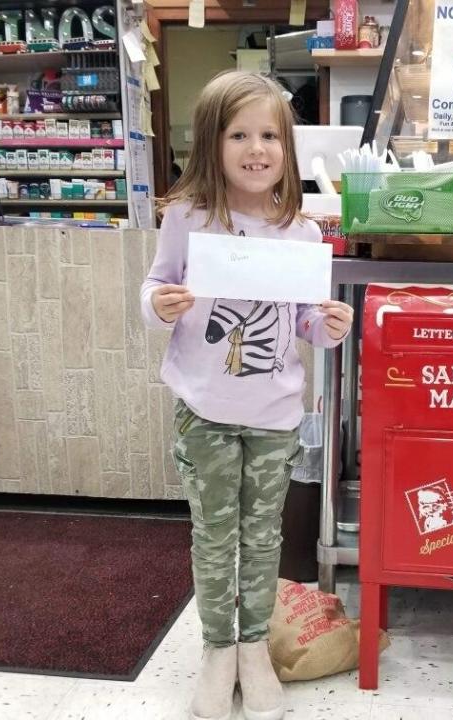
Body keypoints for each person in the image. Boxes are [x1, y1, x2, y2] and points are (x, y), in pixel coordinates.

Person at [140, 71, 353, 720]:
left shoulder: (302, 234)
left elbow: (304, 322)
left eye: (269, 136)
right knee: (213, 535)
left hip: (273, 415)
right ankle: (215, 649)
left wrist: (329, 326)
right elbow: (154, 291)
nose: (256, 149)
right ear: (212, 142)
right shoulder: (187, 218)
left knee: (262, 537)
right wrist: (161, 304)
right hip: (203, 410)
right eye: (239, 135)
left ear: (286, 147)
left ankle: (254, 647)